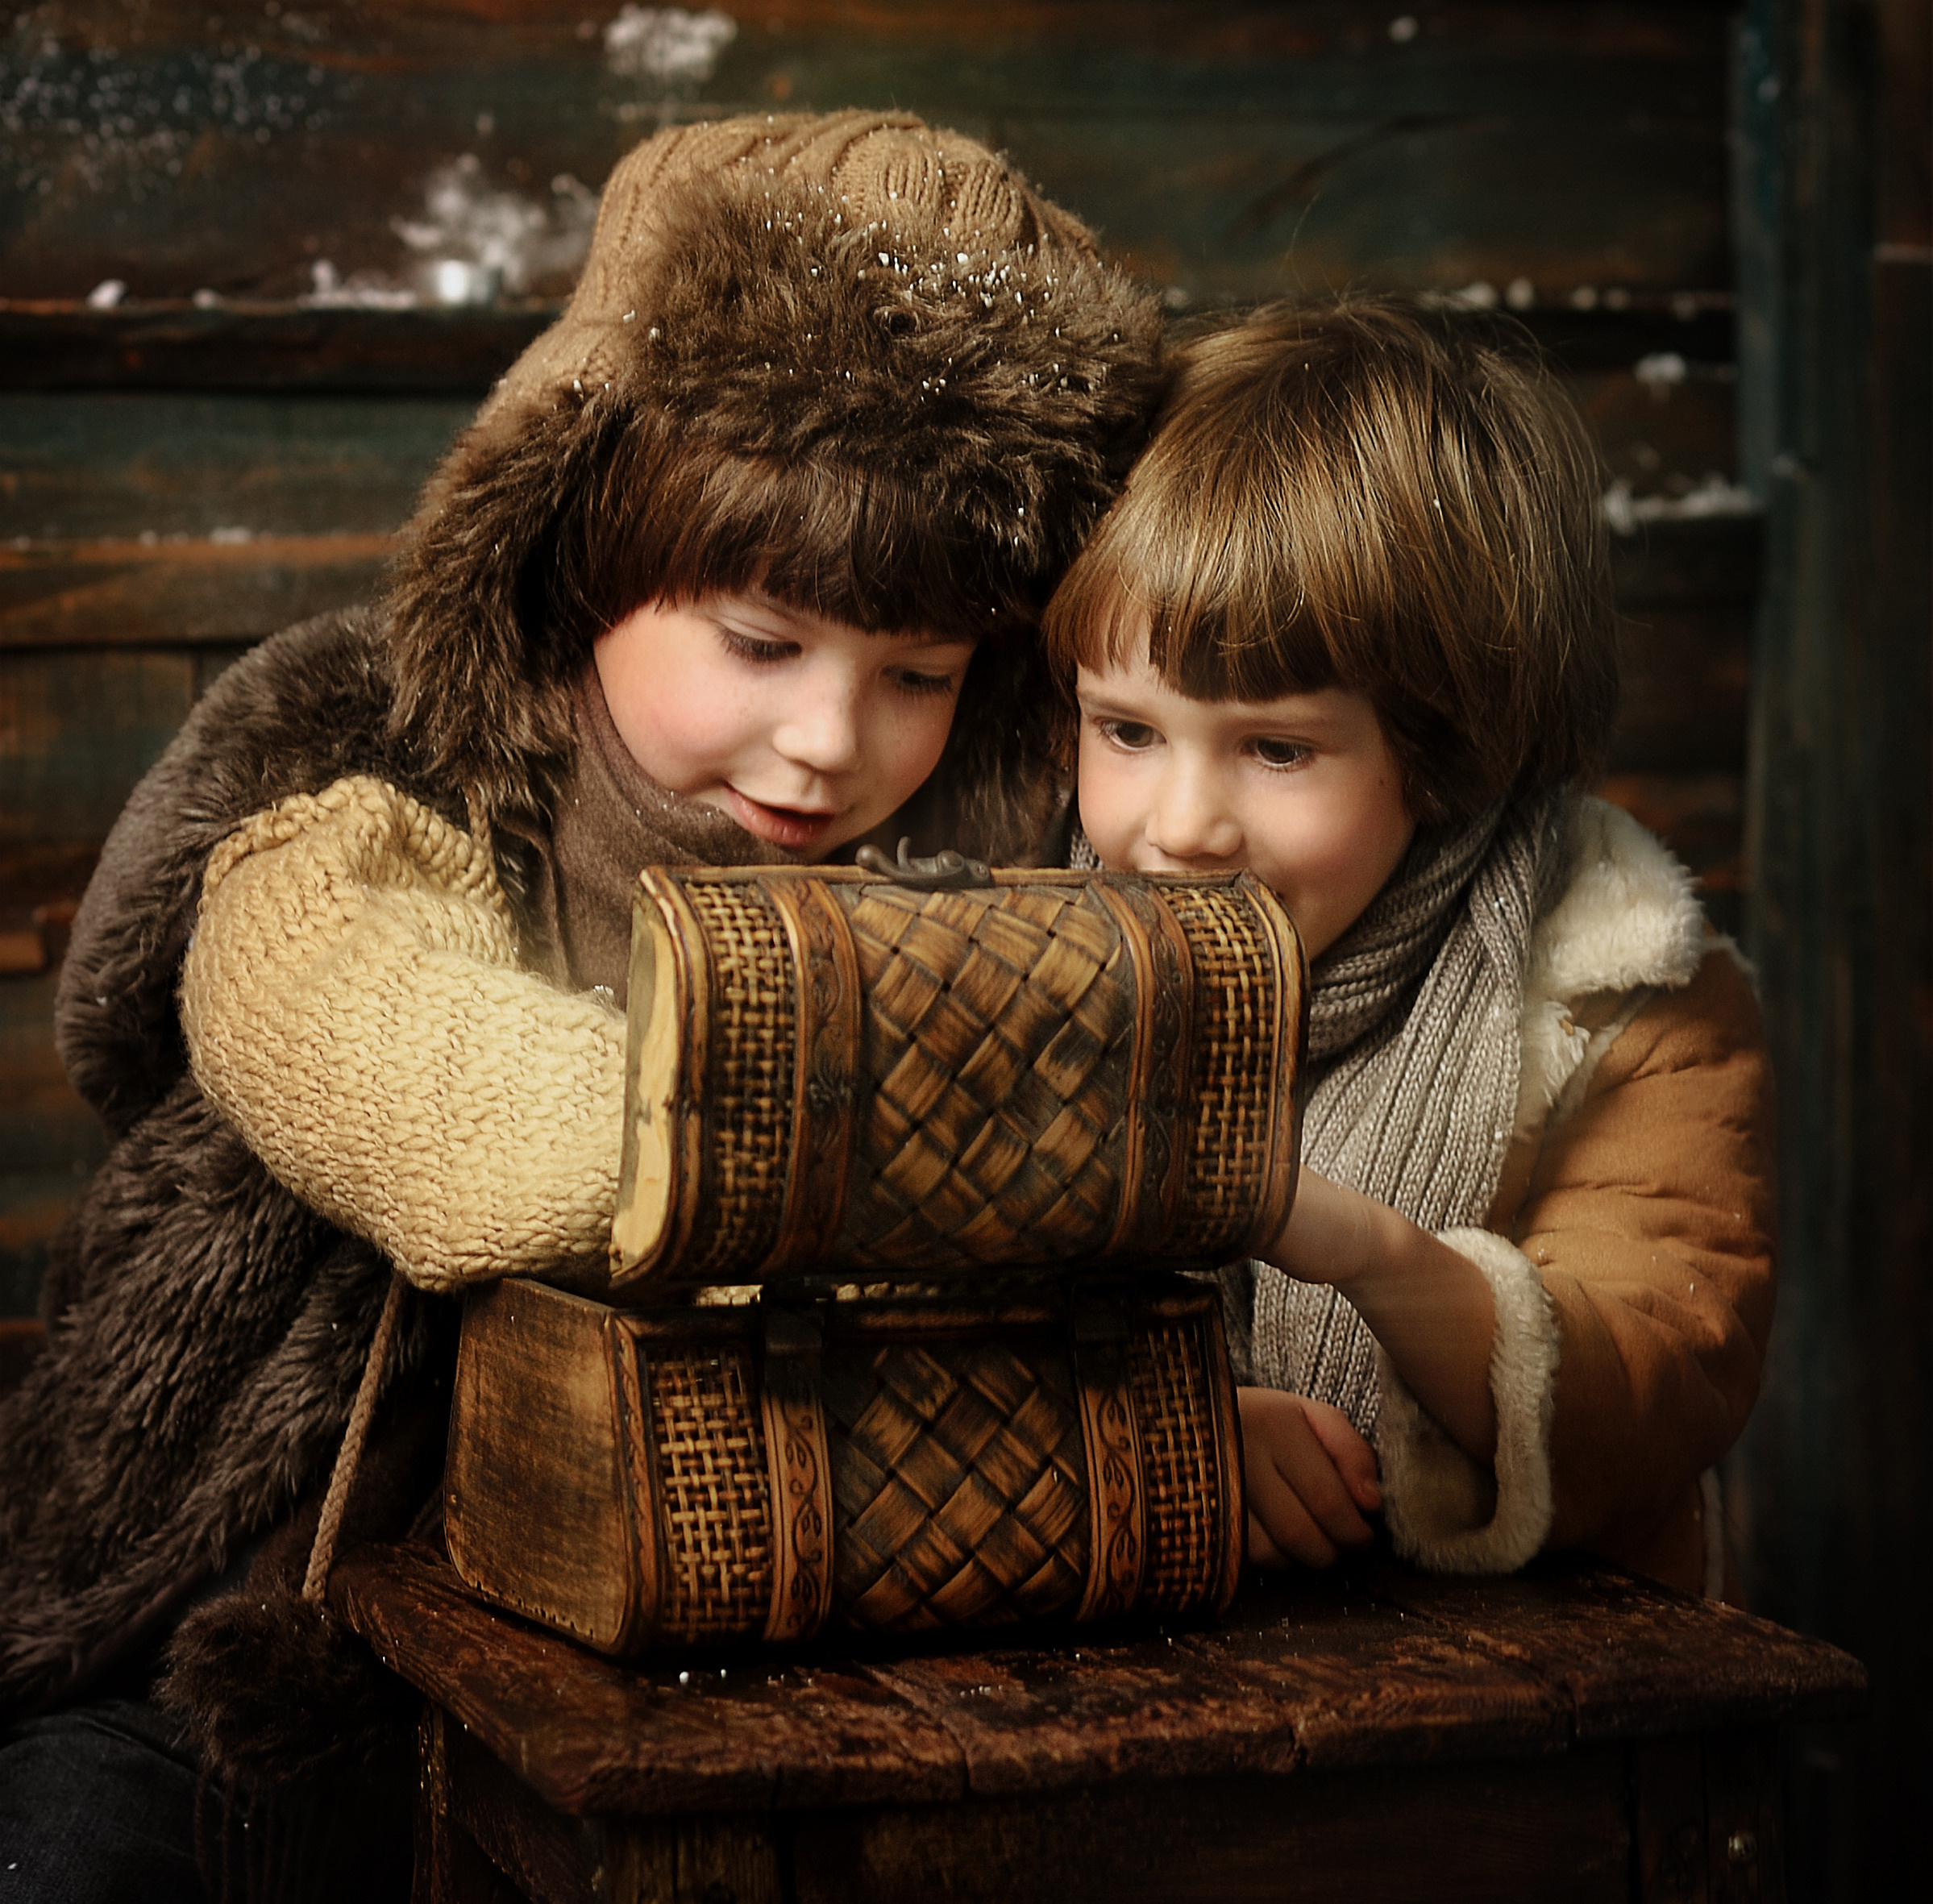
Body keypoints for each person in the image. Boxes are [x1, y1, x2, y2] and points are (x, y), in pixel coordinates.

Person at [0, 110, 1161, 1896]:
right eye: (760, 641)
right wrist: (881, 1137)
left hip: (698, 1677)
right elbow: (417, 1095)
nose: (828, 740)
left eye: (917, 675)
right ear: (579, 541)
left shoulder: (953, 895)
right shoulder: (372, 779)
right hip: (223, 1650)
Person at [1042, 297, 1774, 1596]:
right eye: (1127, 730)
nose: (1179, 826)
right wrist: (1170, 1431)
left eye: (1277, 748)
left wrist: (1360, 1248)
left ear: (1445, 748)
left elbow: (1656, 1370)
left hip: (1525, 1688)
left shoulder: (1622, 992)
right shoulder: (1019, 949)